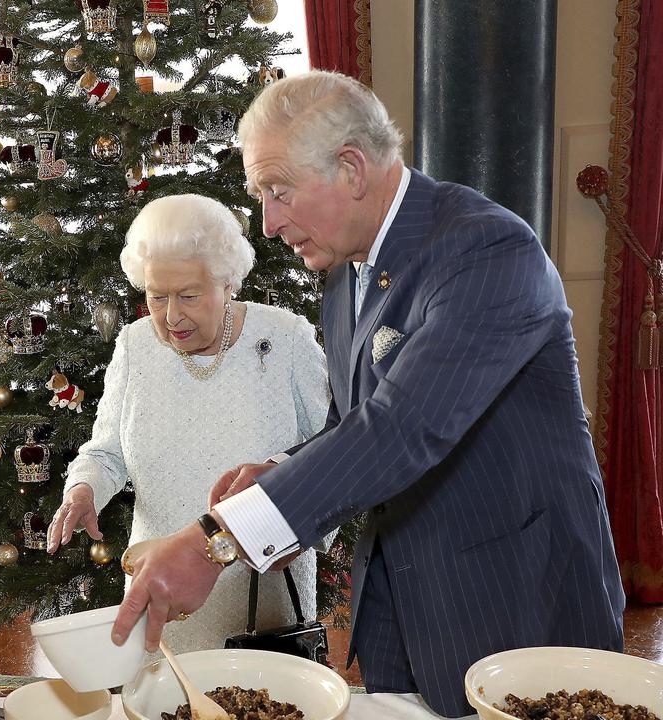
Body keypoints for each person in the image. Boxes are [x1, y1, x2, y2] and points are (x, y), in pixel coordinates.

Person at [111, 71, 625, 718]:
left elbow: (402, 427)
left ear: (352, 169)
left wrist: (218, 540)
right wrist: (283, 471)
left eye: (278, 192)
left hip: (518, 599)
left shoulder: (487, 252)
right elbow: (354, 424)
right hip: (406, 609)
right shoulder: (347, 270)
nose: (268, 224)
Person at [47, 194, 329, 653]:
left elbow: (332, 452)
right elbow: (106, 452)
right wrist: (84, 489)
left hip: (261, 595)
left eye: (189, 296)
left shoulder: (286, 338)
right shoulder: (136, 345)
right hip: (159, 588)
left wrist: (302, 529)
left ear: (228, 282)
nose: (172, 316)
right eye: (156, 296)